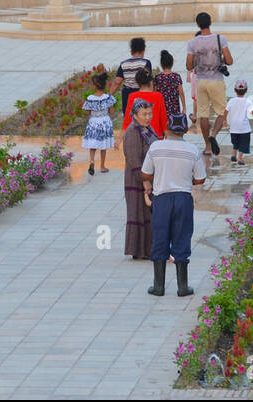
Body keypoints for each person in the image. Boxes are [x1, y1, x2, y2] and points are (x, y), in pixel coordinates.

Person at [140, 112, 207, 297]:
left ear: (167, 128)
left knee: (160, 238)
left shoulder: (156, 147)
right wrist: (187, 180)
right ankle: (182, 287)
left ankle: (158, 287)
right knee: (182, 237)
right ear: (185, 130)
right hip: (183, 199)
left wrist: (158, 178)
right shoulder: (192, 150)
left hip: (161, 199)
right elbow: (200, 179)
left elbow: (145, 173)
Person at [185, 12, 233, 164]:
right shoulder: (220, 39)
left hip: (201, 81)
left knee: (203, 114)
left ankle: (207, 146)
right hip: (216, 80)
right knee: (222, 112)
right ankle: (213, 135)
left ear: (197, 25)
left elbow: (188, 66)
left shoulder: (193, 43)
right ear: (210, 22)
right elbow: (230, 61)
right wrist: (221, 59)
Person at [121, 98, 158, 260]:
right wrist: (144, 181)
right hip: (137, 181)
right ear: (135, 115)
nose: (148, 117)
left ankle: (147, 249)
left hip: (147, 178)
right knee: (138, 214)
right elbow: (134, 160)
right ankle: (139, 250)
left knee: (147, 215)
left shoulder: (146, 129)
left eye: (149, 113)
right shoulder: (132, 132)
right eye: (144, 114)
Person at [81, 71, 116, 175]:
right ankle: (102, 166)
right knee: (103, 145)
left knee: (93, 143)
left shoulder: (90, 99)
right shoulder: (107, 98)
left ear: (95, 86)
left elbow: (87, 112)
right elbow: (111, 111)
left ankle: (92, 161)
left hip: (94, 122)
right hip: (104, 121)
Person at [121, 68, 167, 136]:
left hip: (137, 136)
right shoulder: (158, 96)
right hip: (155, 136)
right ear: (151, 82)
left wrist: (120, 139)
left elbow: (127, 121)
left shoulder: (132, 96)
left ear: (138, 83)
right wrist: (167, 136)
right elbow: (164, 120)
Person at [113, 37, 152, 114]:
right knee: (142, 116)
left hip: (127, 94)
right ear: (143, 51)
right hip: (141, 93)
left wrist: (109, 95)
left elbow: (117, 82)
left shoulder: (124, 64)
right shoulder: (146, 63)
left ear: (131, 51)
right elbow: (149, 80)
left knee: (128, 116)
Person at [223, 79, 253, 166]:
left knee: (236, 142)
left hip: (234, 127)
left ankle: (233, 154)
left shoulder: (231, 101)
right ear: (246, 90)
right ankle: (239, 158)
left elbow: (226, 111)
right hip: (244, 128)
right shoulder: (248, 101)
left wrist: (224, 120)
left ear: (235, 90)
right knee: (243, 144)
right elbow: (252, 111)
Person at [152, 50, 186, 120]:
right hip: (175, 110)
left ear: (161, 64)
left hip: (161, 109)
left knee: (163, 129)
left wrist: (153, 108)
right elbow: (181, 93)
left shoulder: (158, 77)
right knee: (174, 128)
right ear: (172, 63)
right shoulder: (176, 76)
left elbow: (154, 94)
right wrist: (184, 108)